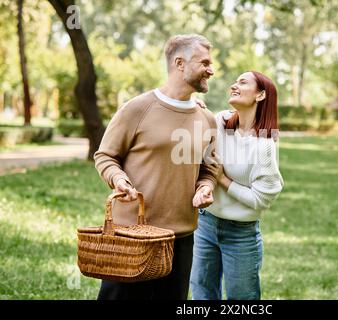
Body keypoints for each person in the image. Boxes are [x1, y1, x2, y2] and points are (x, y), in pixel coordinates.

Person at [93, 34, 219, 300]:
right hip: (131, 235)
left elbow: (210, 167)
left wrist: (206, 186)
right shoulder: (137, 109)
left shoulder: (207, 119)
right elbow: (105, 155)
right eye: (204, 62)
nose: (211, 69)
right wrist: (118, 179)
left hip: (180, 238)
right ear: (180, 63)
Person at [189, 71, 284, 300]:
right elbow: (194, 145)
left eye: (243, 82)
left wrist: (222, 180)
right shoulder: (221, 121)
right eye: (235, 81)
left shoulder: (264, 145)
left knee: (242, 301)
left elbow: (262, 199)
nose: (234, 85)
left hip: (241, 234)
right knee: (202, 294)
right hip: (205, 224)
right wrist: (193, 109)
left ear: (260, 95)